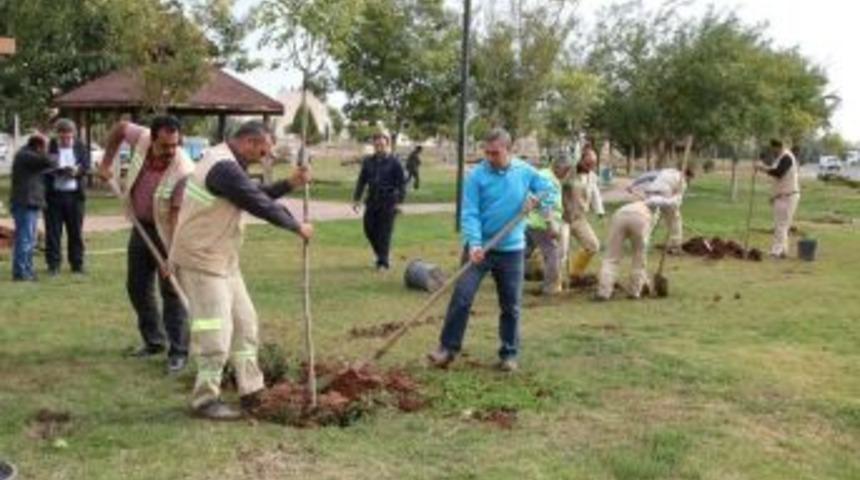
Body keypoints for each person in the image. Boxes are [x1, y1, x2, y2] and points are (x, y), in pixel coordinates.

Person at [169, 121, 313, 420]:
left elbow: (251, 193)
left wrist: (289, 184)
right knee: (215, 333)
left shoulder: (229, 162)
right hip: (201, 259)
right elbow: (257, 202)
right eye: (264, 148)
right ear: (248, 142)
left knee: (246, 325)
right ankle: (205, 400)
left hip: (223, 259)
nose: (266, 154)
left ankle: (251, 390)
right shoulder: (223, 167)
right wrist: (295, 226)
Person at [427, 128, 557, 372]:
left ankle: (509, 354)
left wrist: (538, 203)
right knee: (462, 297)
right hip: (480, 248)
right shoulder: (477, 176)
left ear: (509, 150)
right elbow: (470, 213)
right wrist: (475, 243)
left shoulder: (525, 172)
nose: (489, 157)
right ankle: (447, 349)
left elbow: (550, 190)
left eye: (495, 153)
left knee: (511, 304)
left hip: (512, 251)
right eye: (486, 152)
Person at [99, 116, 195, 373]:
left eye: (175, 144)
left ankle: (179, 352)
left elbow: (177, 218)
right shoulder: (140, 137)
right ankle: (154, 341)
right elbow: (119, 127)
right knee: (137, 286)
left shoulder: (183, 170)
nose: (171, 150)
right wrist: (106, 162)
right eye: (165, 145)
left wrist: (172, 258)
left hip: (169, 233)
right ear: (152, 139)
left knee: (172, 291)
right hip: (141, 228)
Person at [594, 195, 678, 300]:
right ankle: (635, 291)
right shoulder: (654, 210)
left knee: (611, 257)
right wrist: (675, 202)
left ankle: (603, 292)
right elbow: (657, 201)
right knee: (639, 257)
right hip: (640, 220)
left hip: (619, 216)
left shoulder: (637, 204)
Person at [352, 132, 406, 270]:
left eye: (382, 144)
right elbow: (362, 181)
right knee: (368, 228)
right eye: (376, 145)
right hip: (372, 200)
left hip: (389, 201)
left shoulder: (394, 162)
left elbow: (402, 184)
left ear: (387, 145)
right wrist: (357, 199)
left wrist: (399, 202)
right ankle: (381, 255)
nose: (379, 147)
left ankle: (383, 262)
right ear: (374, 146)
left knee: (384, 232)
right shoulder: (368, 161)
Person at [44, 119, 90, 275]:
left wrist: (76, 172)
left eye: (68, 137)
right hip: (54, 196)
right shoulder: (49, 147)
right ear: (57, 135)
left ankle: (77, 264)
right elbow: (43, 167)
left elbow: (86, 166)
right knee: (53, 232)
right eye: (62, 137)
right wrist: (54, 170)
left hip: (75, 197)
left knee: (75, 231)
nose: (65, 140)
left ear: (73, 135)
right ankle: (53, 265)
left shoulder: (80, 147)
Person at [9, 134, 56, 281]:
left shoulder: (27, 156)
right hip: (25, 203)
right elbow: (49, 161)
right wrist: (52, 150)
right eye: (44, 147)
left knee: (29, 239)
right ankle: (21, 272)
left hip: (30, 202)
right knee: (25, 239)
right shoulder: (26, 156)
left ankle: (27, 270)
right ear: (39, 146)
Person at [524, 155, 569, 295]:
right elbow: (545, 203)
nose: (566, 174)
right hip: (541, 224)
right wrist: (550, 224)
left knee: (522, 253)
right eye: (566, 170)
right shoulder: (548, 179)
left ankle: (508, 277)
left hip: (531, 222)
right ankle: (550, 287)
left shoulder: (544, 174)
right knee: (553, 253)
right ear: (557, 167)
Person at [627, 167, 692, 253]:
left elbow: (647, 176)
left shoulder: (667, 171)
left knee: (650, 219)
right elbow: (677, 201)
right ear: (688, 176)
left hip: (651, 191)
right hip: (665, 193)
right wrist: (673, 209)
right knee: (675, 220)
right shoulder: (682, 182)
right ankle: (676, 245)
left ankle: (641, 243)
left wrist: (633, 185)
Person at [566, 147, 605, 280]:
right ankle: (553, 280)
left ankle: (575, 274)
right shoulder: (568, 172)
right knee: (558, 252)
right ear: (581, 160)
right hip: (562, 218)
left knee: (593, 245)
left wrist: (599, 210)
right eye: (588, 164)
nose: (590, 167)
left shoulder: (592, 177)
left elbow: (595, 194)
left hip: (579, 218)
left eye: (593, 164)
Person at [756, 139, 800, 258]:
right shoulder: (780, 158)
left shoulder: (787, 157)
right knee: (780, 225)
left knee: (781, 225)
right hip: (781, 196)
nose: (772, 152)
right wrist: (773, 196)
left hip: (789, 196)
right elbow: (778, 180)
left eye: (773, 149)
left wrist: (763, 168)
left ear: (778, 147)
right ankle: (783, 251)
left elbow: (779, 173)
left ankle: (776, 251)